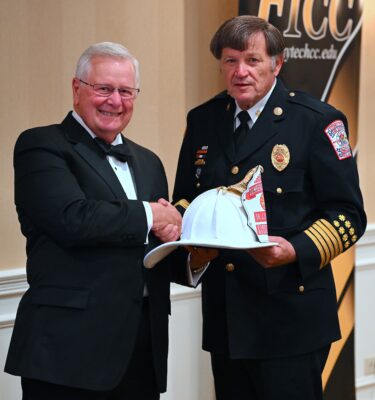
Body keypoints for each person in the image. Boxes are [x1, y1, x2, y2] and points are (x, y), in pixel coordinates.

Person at [172, 16, 367, 400]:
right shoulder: (204, 120)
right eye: (230, 61)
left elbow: (348, 214)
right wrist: (188, 245)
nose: (240, 72)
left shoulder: (317, 121)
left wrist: (294, 250)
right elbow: (187, 199)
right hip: (226, 316)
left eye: (252, 60)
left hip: (291, 317)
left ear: (277, 65)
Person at [5, 42, 182, 400]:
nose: (114, 101)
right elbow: (72, 218)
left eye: (125, 91)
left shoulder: (149, 162)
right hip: (66, 352)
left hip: (140, 347)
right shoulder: (41, 146)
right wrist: (152, 214)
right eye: (103, 88)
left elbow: (153, 246)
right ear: (77, 89)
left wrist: (191, 248)